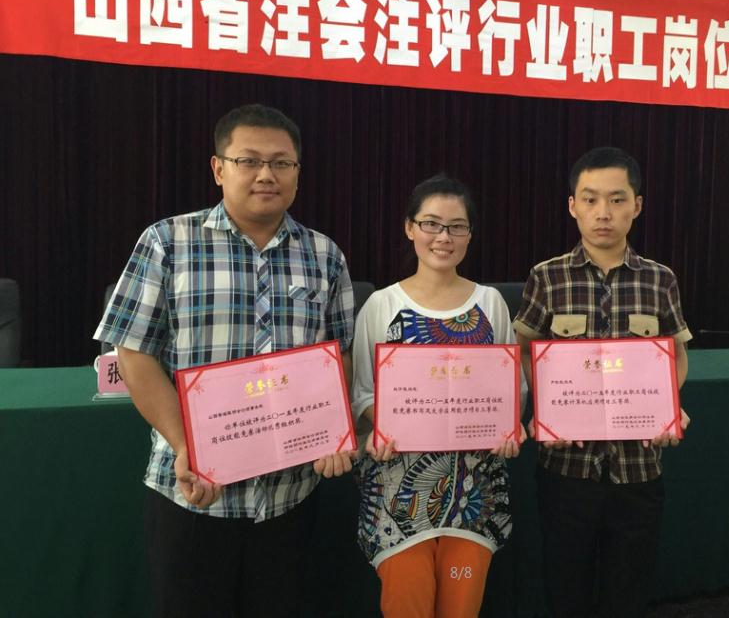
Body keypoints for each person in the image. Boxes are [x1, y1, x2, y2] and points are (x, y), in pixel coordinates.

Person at [94, 104, 356, 618]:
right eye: (248, 160)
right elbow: (134, 352)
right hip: (194, 492)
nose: (266, 174)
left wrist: (332, 431)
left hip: (289, 498)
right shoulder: (167, 242)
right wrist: (186, 445)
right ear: (219, 168)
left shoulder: (324, 255)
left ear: (298, 173)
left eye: (281, 163)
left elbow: (338, 354)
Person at [513, 146, 692, 618]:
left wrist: (669, 405)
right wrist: (546, 409)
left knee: (628, 592)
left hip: (638, 468)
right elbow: (524, 350)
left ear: (637, 205)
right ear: (572, 206)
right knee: (565, 589)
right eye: (590, 200)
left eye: (616, 199)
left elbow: (676, 354)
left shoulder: (660, 280)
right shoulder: (547, 277)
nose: (603, 213)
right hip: (567, 469)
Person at [351, 174, 527, 618]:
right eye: (431, 223)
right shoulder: (381, 305)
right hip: (397, 496)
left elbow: (512, 389)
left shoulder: (491, 303)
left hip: (475, 493)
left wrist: (508, 427)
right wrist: (383, 424)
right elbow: (362, 392)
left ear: (470, 234)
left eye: (457, 226)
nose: (443, 237)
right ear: (410, 227)